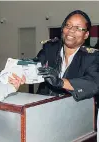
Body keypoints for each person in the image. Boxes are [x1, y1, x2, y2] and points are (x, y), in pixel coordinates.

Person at [34, 9, 99, 139]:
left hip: (75, 118)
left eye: (78, 28)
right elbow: (35, 65)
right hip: (43, 113)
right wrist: (17, 72)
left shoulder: (92, 57)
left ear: (86, 35)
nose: (71, 31)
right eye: (68, 25)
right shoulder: (50, 48)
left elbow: (94, 83)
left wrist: (61, 82)